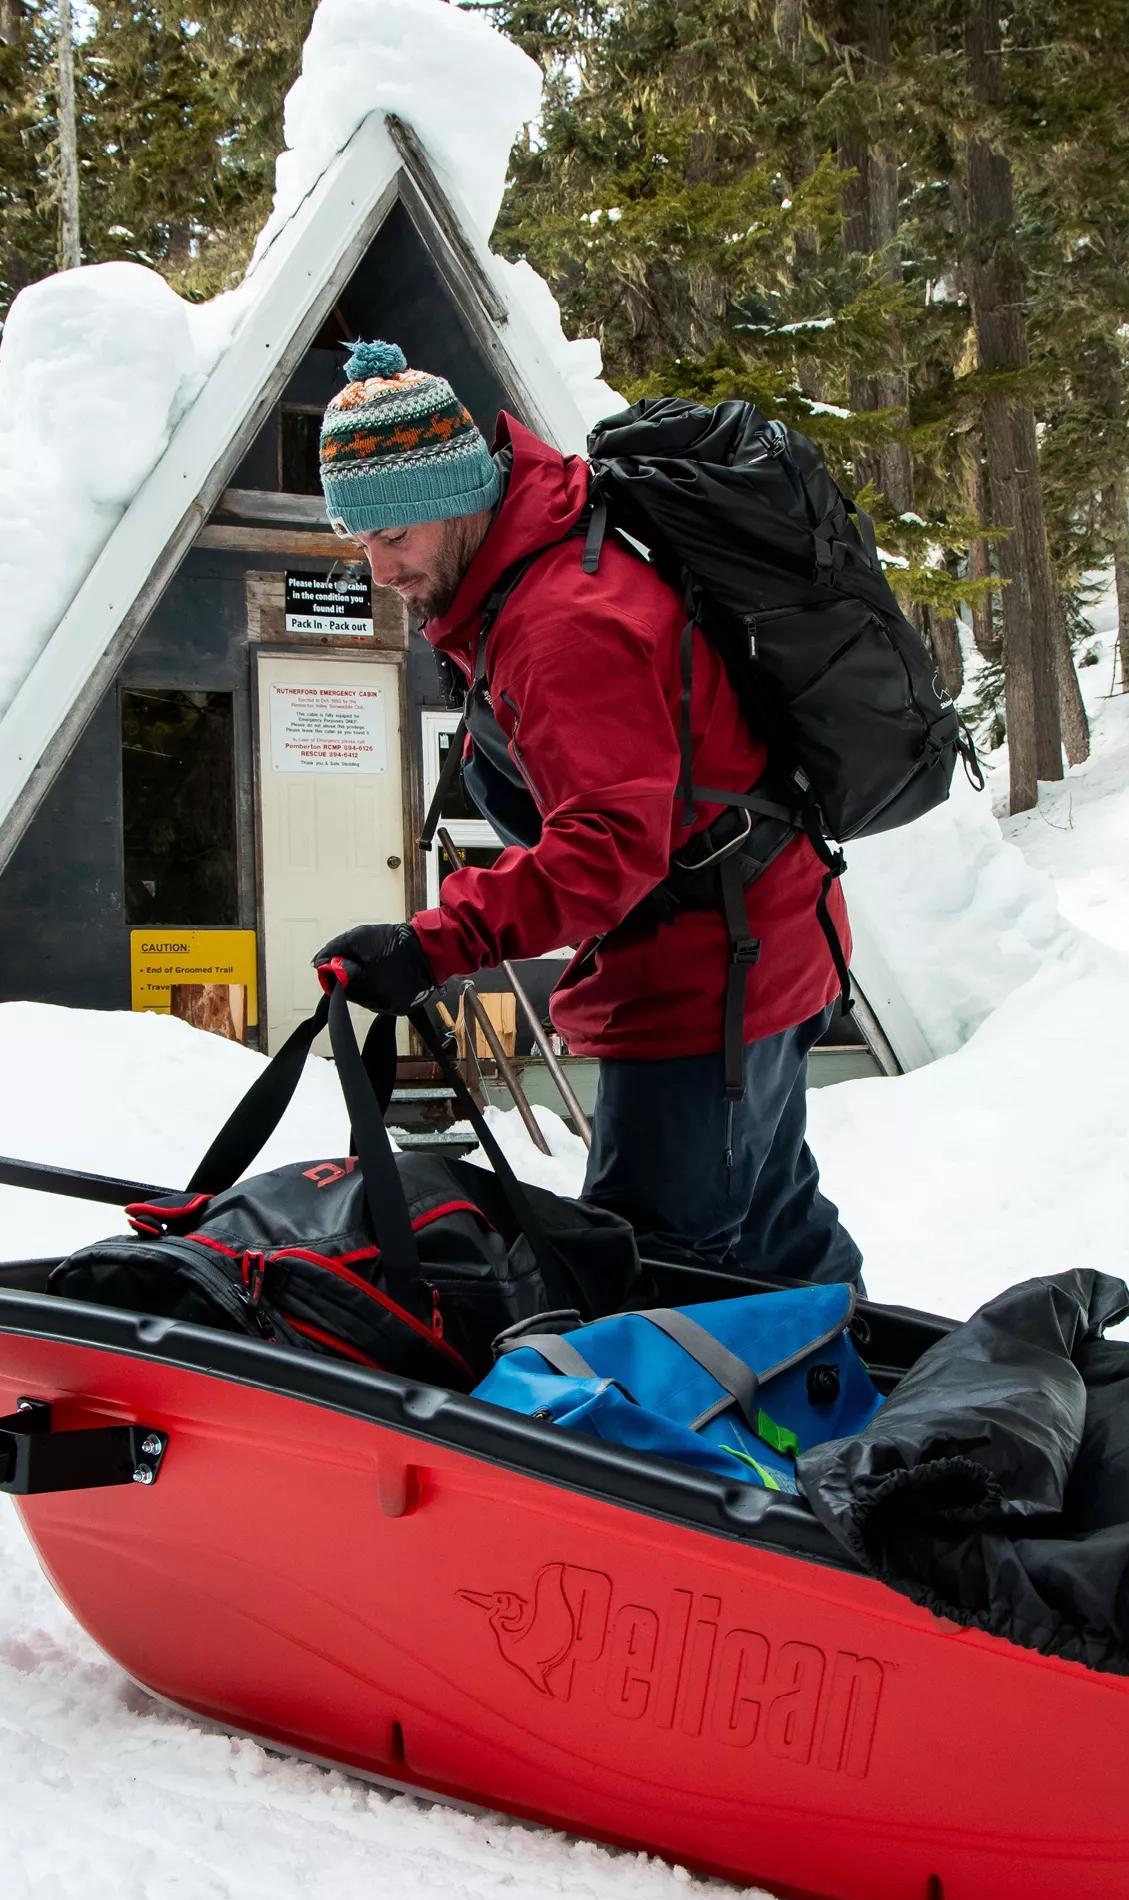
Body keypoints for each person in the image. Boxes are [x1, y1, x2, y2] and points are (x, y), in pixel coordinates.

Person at [311, 341, 862, 1290]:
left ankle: (811, 1373)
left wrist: (433, 945)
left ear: (458, 498)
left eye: (395, 535)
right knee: (771, 1236)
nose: (380, 567)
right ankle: (858, 1367)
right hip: (749, 947)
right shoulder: (520, 582)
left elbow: (608, 846)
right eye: (360, 541)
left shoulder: (563, 622)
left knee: (659, 1276)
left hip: (712, 980)